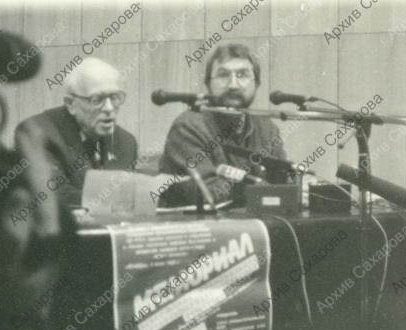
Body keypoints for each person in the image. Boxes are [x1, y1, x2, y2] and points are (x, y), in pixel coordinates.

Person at [14, 57, 138, 238]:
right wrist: (129, 199)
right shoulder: (38, 134)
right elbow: (55, 195)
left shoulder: (126, 142)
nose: (109, 108)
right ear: (71, 104)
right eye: (96, 99)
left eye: (114, 97)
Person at [158, 43, 287, 206]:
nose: (233, 84)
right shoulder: (188, 126)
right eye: (223, 75)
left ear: (257, 84)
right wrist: (271, 192)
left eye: (242, 75)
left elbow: (283, 179)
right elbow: (208, 193)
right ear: (208, 84)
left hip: (255, 218)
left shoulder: (267, 129)